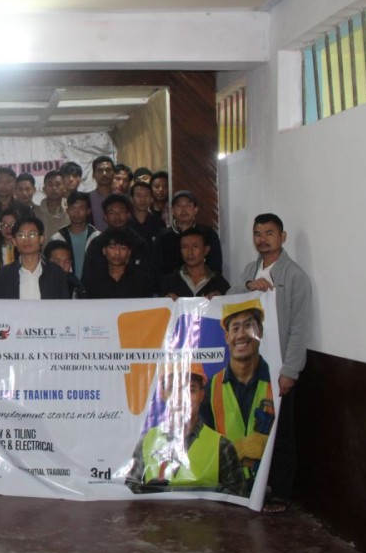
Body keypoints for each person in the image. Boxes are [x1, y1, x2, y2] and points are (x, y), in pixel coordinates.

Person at [231, 213, 312, 513]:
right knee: (254, 427)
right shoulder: (250, 271)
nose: (262, 239)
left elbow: (299, 328)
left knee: (282, 433)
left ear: (282, 237)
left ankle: (280, 492)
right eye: (257, 233)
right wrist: (249, 286)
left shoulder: (294, 276)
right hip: (250, 367)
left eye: (269, 233)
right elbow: (229, 298)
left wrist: (290, 371)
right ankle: (256, 483)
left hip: (279, 369)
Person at [126, 366, 245, 496]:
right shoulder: (147, 442)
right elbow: (130, 494)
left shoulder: (223, 447)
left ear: (202, 395)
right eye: (172, 389)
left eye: (190, 390)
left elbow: (237, 500)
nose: (180, 398)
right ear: (162, 394)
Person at [202, 299, 276, 497]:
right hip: (225, 488)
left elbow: (286, 445)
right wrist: (235, 452)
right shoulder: (211, 387)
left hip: (266, 489)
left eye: (248, 326)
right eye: (235, 328)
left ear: (260, 332)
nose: (242, 334)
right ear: (227, 337)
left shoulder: (276, 382)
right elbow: (203, 444)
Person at [0, 216, 70, 299]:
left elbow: (64, 308)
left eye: (32, 234)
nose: (27, 239)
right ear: (14, 241)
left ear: (41, 239)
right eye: (21, 235)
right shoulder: (4, 275)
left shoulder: (56, 273)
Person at [153, 190, 222, 283]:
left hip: (202, 290)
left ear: (195, 210)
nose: (184, 209)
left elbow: (215, 267)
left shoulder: (208, 234)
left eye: (188, 205)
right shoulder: (162, 236)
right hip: (170, 292)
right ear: (172, 211)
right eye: (179, 206)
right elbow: (157, 269)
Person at [160, 227, 230, 298]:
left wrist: (220, 300)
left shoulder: (219, 282)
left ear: (206, 250)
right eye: (185, 247)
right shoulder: (171, 282)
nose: (190, 252)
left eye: (195, 247)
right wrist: (167, 301)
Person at [84, 229, 150, 299]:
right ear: (104, 250)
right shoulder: (93, 280)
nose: (117, 253)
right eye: (112, 247)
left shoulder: (140, 279)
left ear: (129, 252)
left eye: (123, 248)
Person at [50, 191, 100, 280]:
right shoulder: (57, 238)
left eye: (81, 208)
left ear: (88, 211)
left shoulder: (97, 238)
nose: (77, 213)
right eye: (72, 208)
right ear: (67, 211)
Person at [33, 169, 69, 240]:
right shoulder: (35, 214)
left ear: (64, 188)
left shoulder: (71, 211)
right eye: (50, 185)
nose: (54, 188)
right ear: (44, 189)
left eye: (58, 184)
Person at [128, 181, 165, 251]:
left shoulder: (159, 223)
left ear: (151, 199)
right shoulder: (125, 223)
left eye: (146, 196)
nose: (142, 200)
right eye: (139, 196)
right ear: (131, 199)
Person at [88, 156, 116, 230]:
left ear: (114, 174)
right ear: (93, 175)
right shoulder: (87, 200)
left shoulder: (122, 199)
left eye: (108, 170)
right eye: (100, 171)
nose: (104, 174)